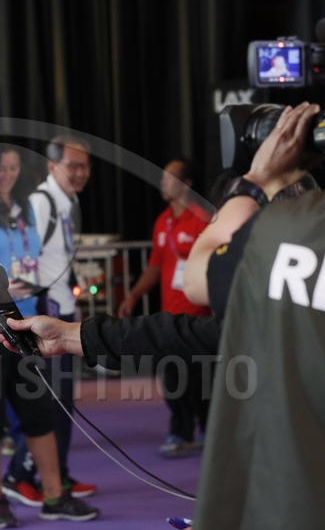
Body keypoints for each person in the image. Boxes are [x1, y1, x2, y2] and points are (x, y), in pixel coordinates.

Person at [1, 35, 325, 529]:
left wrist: (256, 182)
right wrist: (70, 336)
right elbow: (198, 334)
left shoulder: (296, 236)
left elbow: (198, 279)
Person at [0, 138, 99, 527]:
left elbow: (31, 258)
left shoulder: (25, 207)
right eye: (0, 168)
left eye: (13, 168)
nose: (7, 175)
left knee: (39, 412)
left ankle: (54, 496)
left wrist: (35, 282)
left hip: (24, 321)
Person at [1, 135, 96, 506]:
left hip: (62, 310)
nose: (80, 172)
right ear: (52, 166)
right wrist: (32, 314)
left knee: (63, 401)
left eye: (85, 165)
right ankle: (18, 476)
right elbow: (20, 259)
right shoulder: (40, 203)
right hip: (44, 315)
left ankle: (59, 475)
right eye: (72, 165)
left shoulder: (68, 202)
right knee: (48, 402)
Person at [117, 158, 212, 457]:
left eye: (168, 177)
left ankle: (209, 429)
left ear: (186, 183)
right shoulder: (163, 221)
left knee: (200, 378)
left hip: (199, 315)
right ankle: (180, 432)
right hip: (169, 316)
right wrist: (132, 296)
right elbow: (155, 267)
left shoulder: (204, 218)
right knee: (171, 376)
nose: (162, 182)